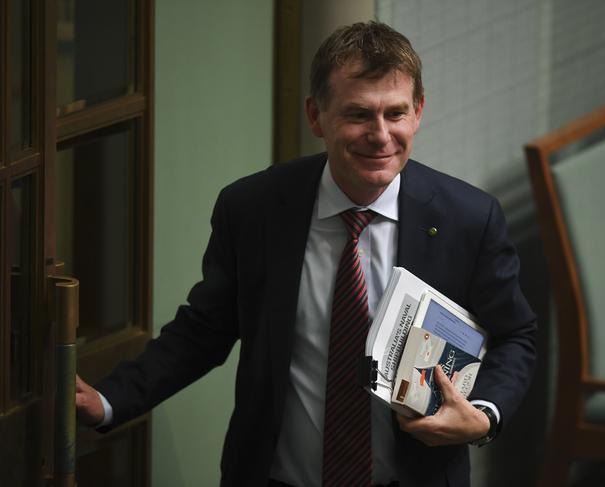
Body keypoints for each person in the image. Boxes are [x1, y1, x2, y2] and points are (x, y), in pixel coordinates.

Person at [76, 21, 536, 487]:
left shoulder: (468, 219)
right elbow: (204, 330)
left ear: (418, 112)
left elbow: (516, 335)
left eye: (395, 113)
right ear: (316, 116)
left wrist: (483, 416)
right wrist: (110, 400)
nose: (380, 135)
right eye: (358, 115)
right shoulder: (253, 210)